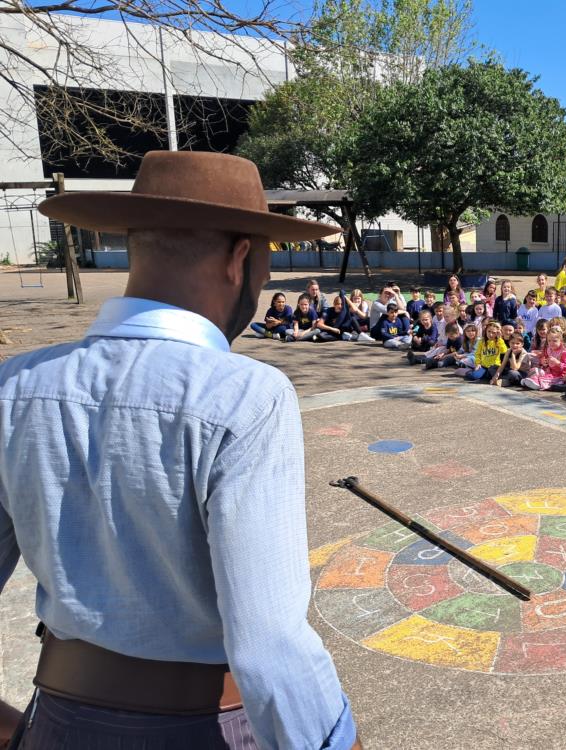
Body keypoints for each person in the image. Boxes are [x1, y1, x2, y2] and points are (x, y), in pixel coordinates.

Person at [6, 151, 360, 749]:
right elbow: (268, 643)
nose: (267, 281)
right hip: (205, 727)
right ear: (240, 256)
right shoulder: (246, 396)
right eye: (268, 261)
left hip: (59, 719)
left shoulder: (13, 384)